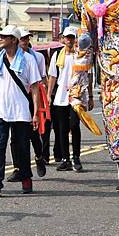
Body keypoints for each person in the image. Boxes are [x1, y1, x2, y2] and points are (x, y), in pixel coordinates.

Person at [0, 25, 41, 198]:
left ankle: (26, 177)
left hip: (21, 110)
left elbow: (35, 87)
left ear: (13, 40)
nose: (0, 38)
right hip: (1, 110)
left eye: (4, 36)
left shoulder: (28, 60)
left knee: (22, 147)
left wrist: (36, 113)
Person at [6, 27, 48, 182]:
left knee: (32, 134)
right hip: (17, 99)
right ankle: (17, 167)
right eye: (22, 39)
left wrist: (42, 101)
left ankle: (38, 156)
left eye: (27, 39)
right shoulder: (9, 56)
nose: (25, 41)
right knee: (15, 136)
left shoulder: (36, 57)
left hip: (31, 97)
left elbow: (40, 79)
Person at [48, 26, 85, 172]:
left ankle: (76, 157)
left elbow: (88, 75)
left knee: (74, 126)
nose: (69, 40)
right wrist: (49, 95)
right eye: (67, 37)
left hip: (76, 95)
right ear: (63, 39)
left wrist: (88, 95)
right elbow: (52, 76)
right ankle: (65, 159)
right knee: (62, 129)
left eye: (72, 37)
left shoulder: (81, 55)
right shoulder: (57, 55)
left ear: (76, 39)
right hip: (61, 97)